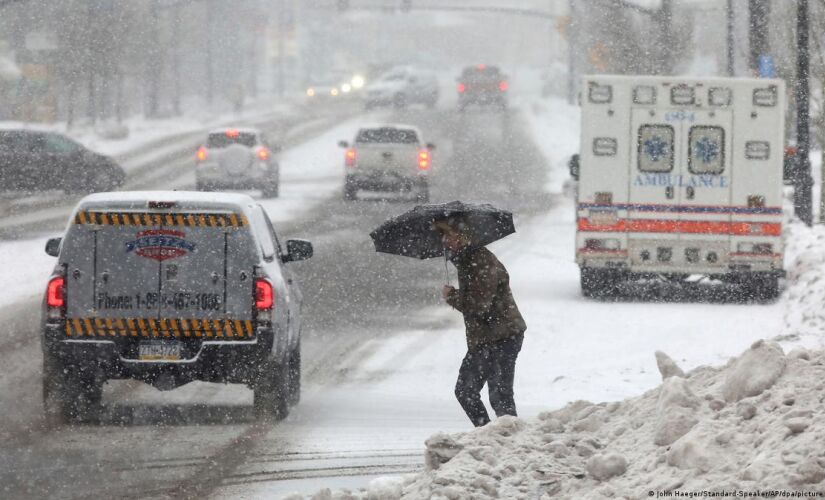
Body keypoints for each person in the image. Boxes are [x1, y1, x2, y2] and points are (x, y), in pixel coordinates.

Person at [434, 217, 526, 427]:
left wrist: (452, 296)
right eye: (443, 236)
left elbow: (479, 305)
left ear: (464, 235)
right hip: (488, 337)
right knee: (469, 391)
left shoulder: (480, 261)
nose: (446, 241)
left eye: (450, 234)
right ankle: (492, 438)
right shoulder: (467, 260)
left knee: (497, 395)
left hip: (501, 336)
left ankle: (505, 441)